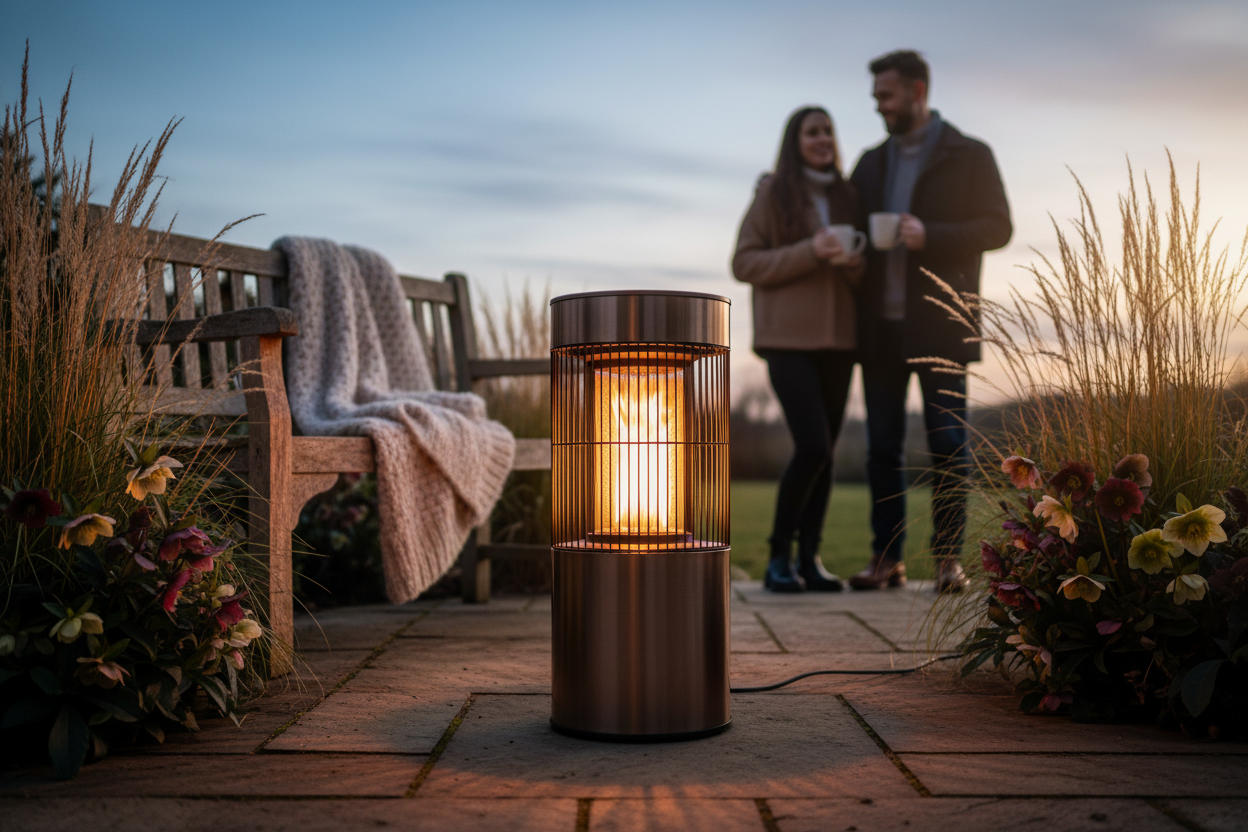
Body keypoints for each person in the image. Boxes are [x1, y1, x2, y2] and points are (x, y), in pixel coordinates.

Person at [846, 50, 1012, 592]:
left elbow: (999, 227)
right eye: (876, 97)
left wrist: (931, 235)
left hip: (942, 325)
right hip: (879, 329)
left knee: (947, 443)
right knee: (881, 449)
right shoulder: (870, 163)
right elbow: (845, 219)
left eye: (886, 95)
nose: (879, 106)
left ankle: (947, 561)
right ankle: (885, 558)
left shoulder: (970, 154)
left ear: (917, 91)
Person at [732, 106, 864, 593]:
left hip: (840, 341)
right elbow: (744, 262)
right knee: (812, 446)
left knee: (826, 453)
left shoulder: (848, 195)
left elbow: (863, 275)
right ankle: (777, 557)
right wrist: (811, 251)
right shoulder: (773, 192)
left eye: (828, 130)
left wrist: (852, 262)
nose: (823, 138)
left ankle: (810, 558)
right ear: (795, 141)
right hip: (786, 340)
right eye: (812, 132)